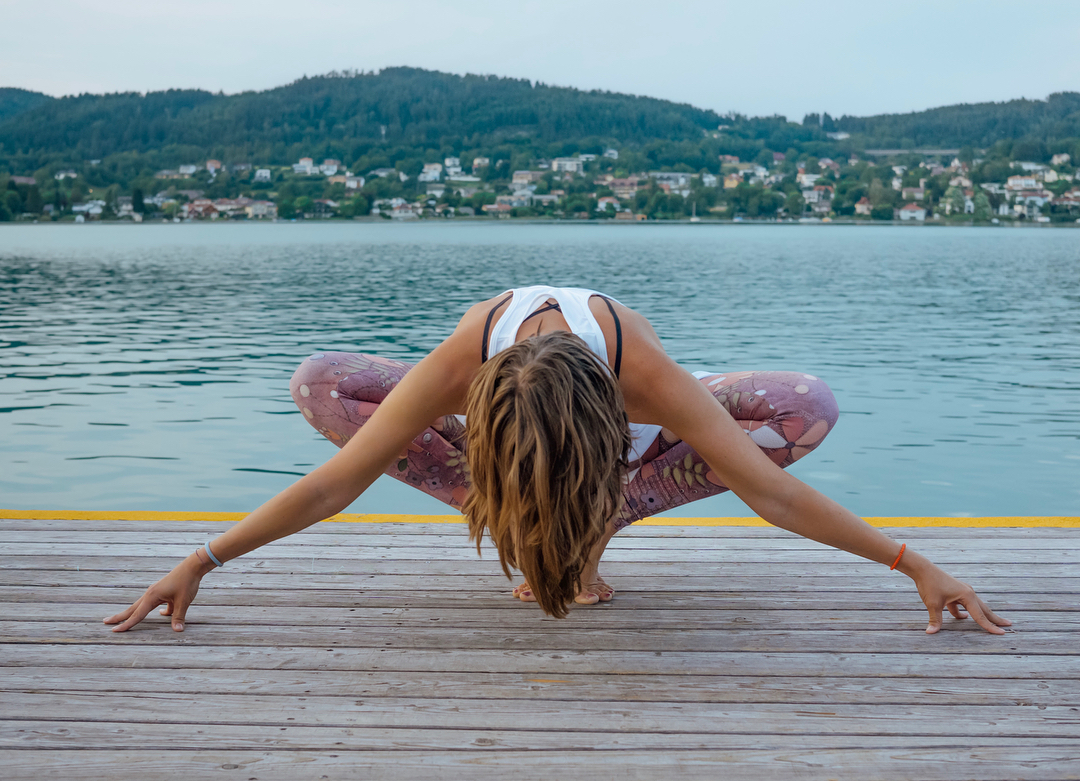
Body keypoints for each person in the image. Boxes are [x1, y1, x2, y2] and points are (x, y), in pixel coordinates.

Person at [105, 285, 1010, 633]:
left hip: (620, 451)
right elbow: (335, 482)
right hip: (498, 441)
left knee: (805, 405)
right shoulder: (470, 354)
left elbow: (770, 491)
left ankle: (591, 514)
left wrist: (912, 562)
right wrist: (199, 562)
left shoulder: (646, 376)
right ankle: (518, 501)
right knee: (320, 380)